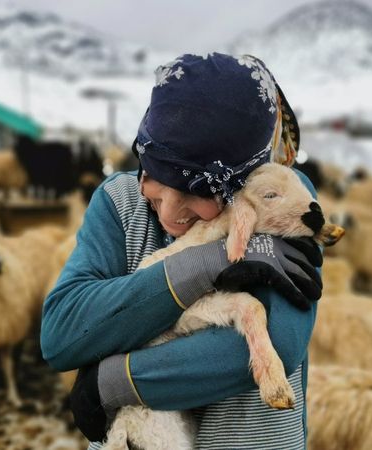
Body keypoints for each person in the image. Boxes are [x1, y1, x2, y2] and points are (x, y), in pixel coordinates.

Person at [41, 53, 323, 449]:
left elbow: (280, 342)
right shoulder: (118, 202)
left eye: (200, 190)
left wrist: (117, 381)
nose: (170, 212)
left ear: (242, 180)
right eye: (154, 174)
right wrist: (206, 264)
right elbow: (62, 333)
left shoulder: (280, 200)